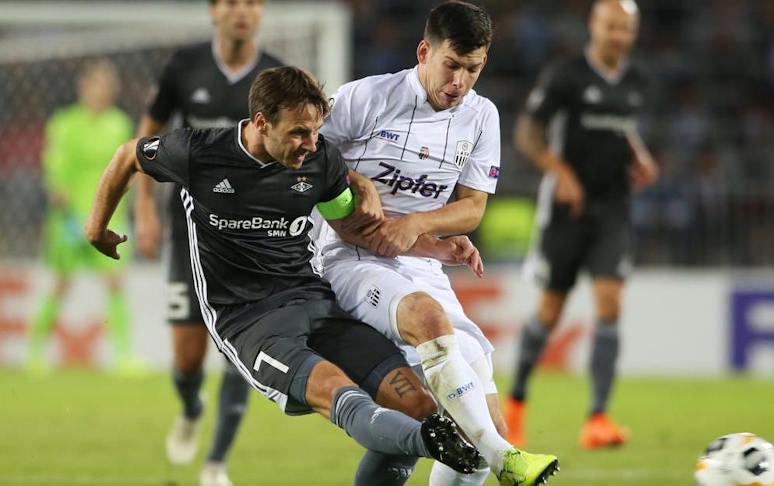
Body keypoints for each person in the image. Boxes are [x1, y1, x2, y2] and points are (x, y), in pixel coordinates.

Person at [87, 65, 484, 485]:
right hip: (248, 321)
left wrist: (437, 245)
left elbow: (353, 229)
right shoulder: (198, 153)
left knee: (418, 406)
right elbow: (127, 156)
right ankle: (431, 441)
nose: (311, 144)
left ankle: (428, 435)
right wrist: (96, 228)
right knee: (340, 395)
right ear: (261, 123)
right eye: (298, 133)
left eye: (315, 132)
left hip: (314, 301)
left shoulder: (321, 160)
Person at [313, 2, 559, 485]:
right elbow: (304, 153)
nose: (459, 82)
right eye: (451, 65)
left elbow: (472, 207)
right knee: (429, 337)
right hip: (346, 259)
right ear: (425, 52)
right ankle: (504, 455)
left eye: (472, 69)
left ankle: (497, 447)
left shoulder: (482, 116)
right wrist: (354, 181)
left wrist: (417, 227)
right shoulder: (366, 97)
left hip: (421, 266)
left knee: (476, 425)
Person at [132, 1, 283, 483]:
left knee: (240, 344)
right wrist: (143, 208)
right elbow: (148, 134)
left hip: (250, 236)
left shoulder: (276, 75)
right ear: (214, 11)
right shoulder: (185, 65)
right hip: (190, 229)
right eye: (232, 2)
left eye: (252, 3)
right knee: (188, 357)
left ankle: (216, 462)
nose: (243, 11)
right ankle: (191, 406)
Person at [504, 0, 660, 450]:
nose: (617, 35)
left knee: (610, 304)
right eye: (610, 26)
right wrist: (562, 173)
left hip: (613, 207)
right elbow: (528, 133)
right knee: (551, 311)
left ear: (633, 32)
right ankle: (515, 406)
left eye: (625, 29)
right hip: (567, 212)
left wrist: (639, 156)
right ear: (595, 25)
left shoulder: (635, 81)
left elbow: (619, 127)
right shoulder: (566, 74)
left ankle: (598, 418)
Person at [26, 59, 141, 376]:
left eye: (107, 87)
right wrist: (63, 203)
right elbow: (55, 168)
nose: (101, 92)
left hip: (108, 217)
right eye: (95, 85)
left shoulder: (119, 124)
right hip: (70, 219)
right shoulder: (63, 124)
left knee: (116, 283)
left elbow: (126, 170)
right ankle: (34, 353)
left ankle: (123, 356)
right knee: (61, 284)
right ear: (83, 88)